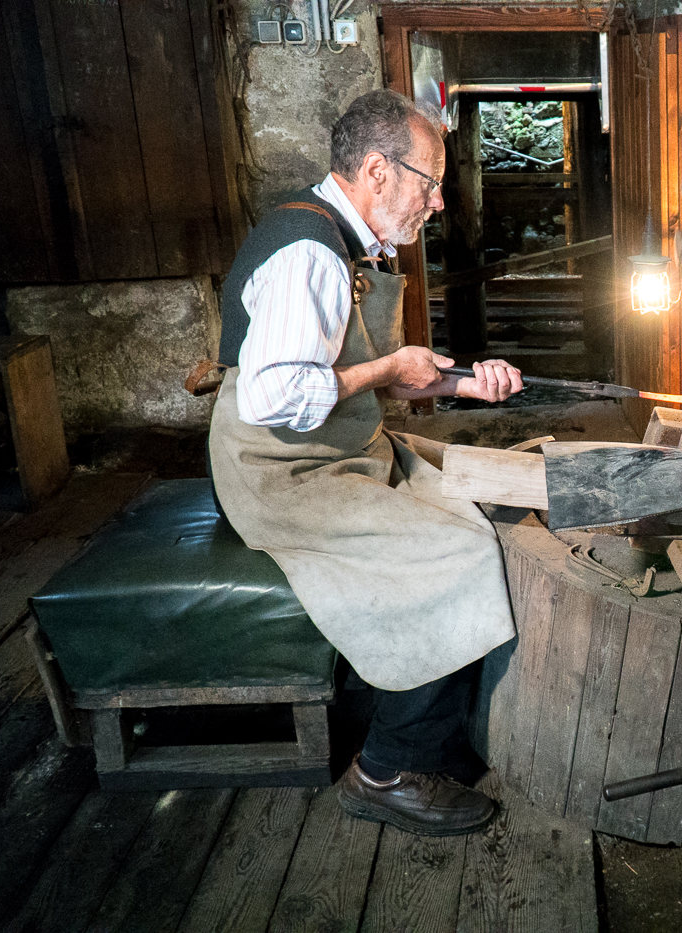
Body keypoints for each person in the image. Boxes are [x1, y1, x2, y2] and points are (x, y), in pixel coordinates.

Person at [208, 88, 524, 837]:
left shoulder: (343, 236)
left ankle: (433, 717)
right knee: (456, 553)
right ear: (378, 170)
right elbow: (278, 395)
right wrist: (389, 373)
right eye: (429, 180)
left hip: (341, 445)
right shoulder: (309, 254)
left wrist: (459, 382)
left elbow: (357, 366)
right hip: (281, 471)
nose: (438, 201)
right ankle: (387, 768)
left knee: (473, 497)